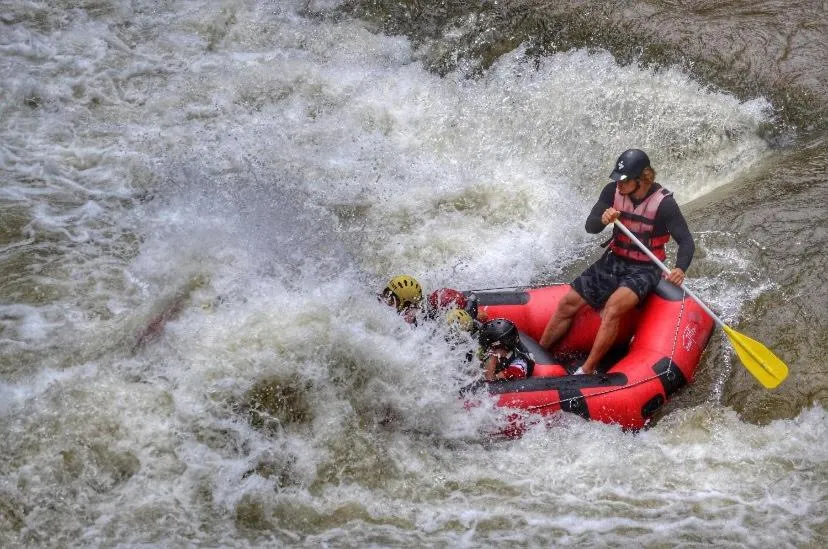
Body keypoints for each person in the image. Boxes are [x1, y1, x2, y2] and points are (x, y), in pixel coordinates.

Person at [539, 149, 695, 375]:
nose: (618, 185)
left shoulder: (665, 204)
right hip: (614, 260)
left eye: (624, 180)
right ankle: (540, 355)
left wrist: (680, 268)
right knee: (567, 304)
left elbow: (687, 242)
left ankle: (588, 369)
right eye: (617, 180)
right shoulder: (612, 191)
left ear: (643, 179)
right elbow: (590, 226)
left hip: (645, 269)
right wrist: (602, 220)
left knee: (612, 308)